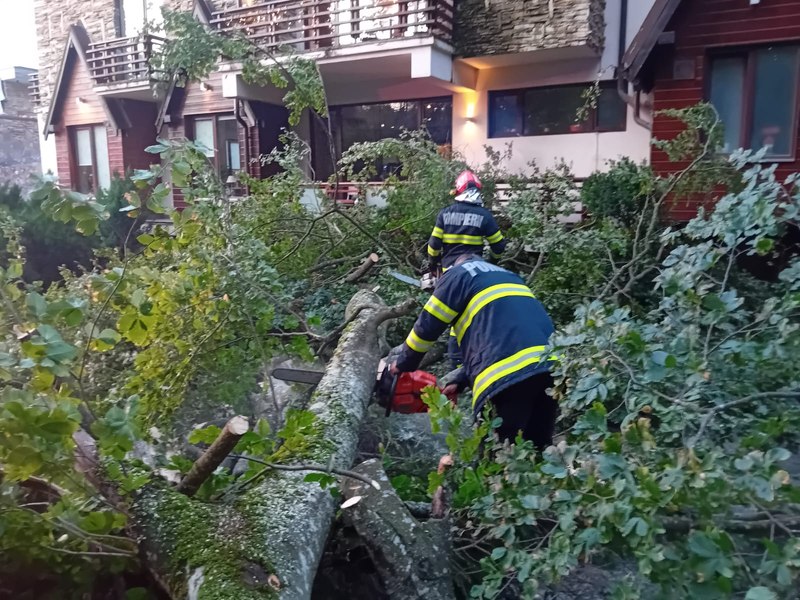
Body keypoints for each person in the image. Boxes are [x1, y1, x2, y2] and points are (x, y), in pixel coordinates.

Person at [391, 254, 558, 450]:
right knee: (538, 448)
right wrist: (461, 378)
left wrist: (403, 365)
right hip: (551, 369)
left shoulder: (456, 275)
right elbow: (505, 334)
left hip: (506, 377)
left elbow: (427, 326)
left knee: (495, 455)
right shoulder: (509, 275)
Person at [426, 170, 507, 370]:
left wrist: (433, 265)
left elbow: (433, 245)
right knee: (470, 313)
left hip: (450, 273)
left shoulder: (445, 214)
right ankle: (473, 362)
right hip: (475, 274)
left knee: (451, 315)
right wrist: (492, 263)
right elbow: (499, 246)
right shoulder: (484, 216)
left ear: (459, 190)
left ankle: (455, 365)